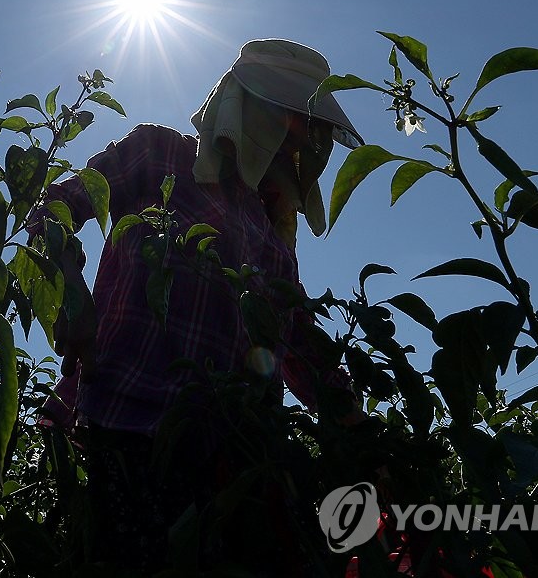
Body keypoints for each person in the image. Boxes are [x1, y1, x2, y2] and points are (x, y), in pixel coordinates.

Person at [30, 39, 365, 573]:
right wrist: (69, 290)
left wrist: (358, 429)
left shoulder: (269, 235)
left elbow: (300, 338)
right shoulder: (160, 155)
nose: (300, 146)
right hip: (121, 426)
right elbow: (56, 209)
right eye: (289, 123)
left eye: (309, 135)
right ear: (249, 112)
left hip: (227, 457)